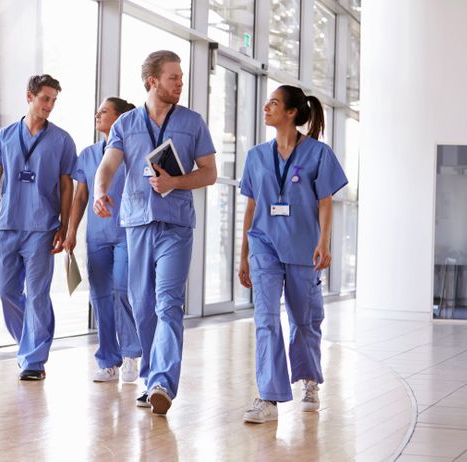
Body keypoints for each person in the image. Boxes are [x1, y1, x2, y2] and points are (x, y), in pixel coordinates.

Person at [93, 50, 217, 415]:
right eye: (174, 77)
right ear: (153, 81)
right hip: (136, 224)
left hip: (176, 225)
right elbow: (108, 165)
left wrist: (176, 182)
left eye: (181, 77)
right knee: (143, 305)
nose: (181, 83)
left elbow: (208, 172)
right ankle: (151, 379)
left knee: (168, 303)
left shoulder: (192, 123)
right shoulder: (126, 124)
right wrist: (101, 192)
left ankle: (163, 380)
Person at [238, 85, 348, 423]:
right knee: (266, 319)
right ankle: (268, 397)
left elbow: (325, 202)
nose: (266, 107)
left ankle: (309, 379)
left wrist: (324, 243)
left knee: (304, 320)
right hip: (264, 246)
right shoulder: (256, 155)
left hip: (303, 247)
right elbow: (251, 205)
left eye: (273, 103)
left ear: (291, 113)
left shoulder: (318, 153)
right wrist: (243, 254)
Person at [0, 74, 77, 381]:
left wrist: (64, 224)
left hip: (42, 227)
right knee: (5, 289)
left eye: (53, 101)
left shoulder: (62, 140)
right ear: (29, 97)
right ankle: (28, 343)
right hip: (8, 224)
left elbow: (66, 187)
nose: (49, 105)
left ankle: (34, 360)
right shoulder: (5, 136)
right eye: (45, 99)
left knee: (37, 294)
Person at [62, 97, 142, 383]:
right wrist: (71, 231)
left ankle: (132, 352)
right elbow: (81, 195)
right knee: (100, 298)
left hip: (126, 233)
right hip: (96, 236)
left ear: (121, 118)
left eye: (105, 111)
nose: (98, 114)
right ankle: (109, 360)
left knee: (121, 290)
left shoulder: (133, 153)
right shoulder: (88, 154)